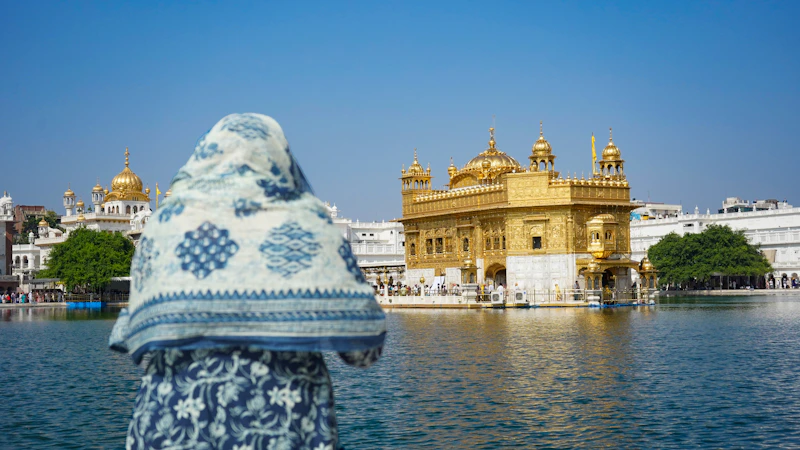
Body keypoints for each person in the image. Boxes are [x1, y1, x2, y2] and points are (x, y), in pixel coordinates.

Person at [109, 114, 385, 450]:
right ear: (280, 159)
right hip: (284, 425)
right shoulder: (310, 222)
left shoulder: (163, 224)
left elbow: (132, 338)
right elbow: (364, 350)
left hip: (171, 426)